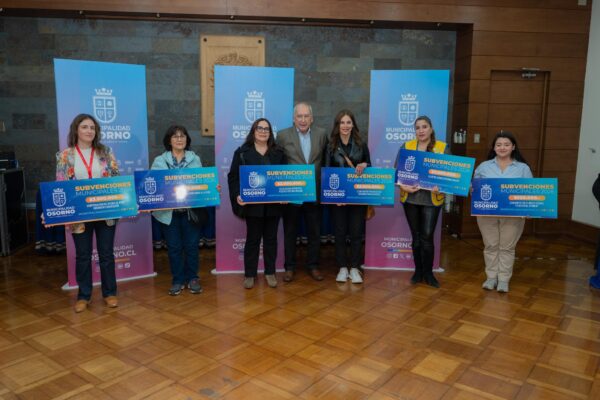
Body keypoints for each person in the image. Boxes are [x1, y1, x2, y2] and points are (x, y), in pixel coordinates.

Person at [55, 113, 120, 312]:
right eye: (84, 127)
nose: (89, 131)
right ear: (76, 130)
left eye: (92, 127)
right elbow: (60, 185)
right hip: (79, 215)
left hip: (105, 211)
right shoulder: (65, 156)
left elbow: (116, 178)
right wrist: (54, 212)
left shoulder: (105, 152)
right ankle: (84, 296)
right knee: (83, 255)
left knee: (106, 254)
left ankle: (110, 293)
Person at [228, 118, 287, 289]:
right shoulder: (242, 152)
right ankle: (250, 274)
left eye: (266, 129)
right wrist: (237, 195)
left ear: (270, 133)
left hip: (273, 206)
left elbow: (285, 176)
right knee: (253, 240)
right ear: (253, 131)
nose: (263, 131)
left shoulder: (279, 153)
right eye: (259, 128)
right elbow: (233, 177)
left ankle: (270, 272)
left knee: (271, 240)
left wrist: (285, 194)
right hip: (253, 206)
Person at [474, 131, 532, 293]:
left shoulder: (523, 168)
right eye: (498, 144)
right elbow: (475, 189)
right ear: (494, 147)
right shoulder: (484, 167)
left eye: (506, 144)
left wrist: (529, 209)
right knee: (490, 245)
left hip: (513, 215)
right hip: (486, 214)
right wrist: (472, 189)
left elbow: (530, 191)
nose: (502, 147)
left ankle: (504, 279)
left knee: (507, 247)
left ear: (513, 147)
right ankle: (491, 277)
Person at [276, 102, 328, 282]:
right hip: (292, 193)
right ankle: (289, 267)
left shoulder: (322, 134)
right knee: (290, 232)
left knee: (314, 232)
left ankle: (313, 265)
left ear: (312, 118)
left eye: (306, 116)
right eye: (300, 116)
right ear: (294, 118)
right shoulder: (282, 135)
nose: (303, 120)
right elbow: (278, 163)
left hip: (314, 192)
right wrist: (280, 190)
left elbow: (326, 161)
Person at [151, 125, 205, 296]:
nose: (179, 139)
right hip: (169, 214)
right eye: (175, 136)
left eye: (182, 136)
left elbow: (202, 183)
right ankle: (178, 280)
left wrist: (211, 188)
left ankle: (193, 278)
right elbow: (153, 186)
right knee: (174, 248)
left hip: (190, 212)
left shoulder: (195, 159)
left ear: (187, 139)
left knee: (191, 247)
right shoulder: (159, 161)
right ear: (169, 140)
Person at [397, 116, 448, 288]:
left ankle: (429, 273)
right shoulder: (407, 146)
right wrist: (403, 186)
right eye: (417, 127)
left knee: (427, 237)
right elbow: (397, 173)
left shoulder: (442, 148)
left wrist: (441, 186)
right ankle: (418, 271)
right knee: (416, 237)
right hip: (410, 198)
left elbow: (450, 175)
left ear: (431, 129)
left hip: (431, 200)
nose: (421, 130)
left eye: (424, 126)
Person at [323, 110, 371, 284]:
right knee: (340, 233)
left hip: (357, 197)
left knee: (356, 234)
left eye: (348, 122)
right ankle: (342, 267)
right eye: (342, 122)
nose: (345, 126)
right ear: (337, 125)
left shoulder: (361, 144)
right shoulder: (330, 146)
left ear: (353, 125)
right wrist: (333, 197)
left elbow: (370, 165)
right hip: (338, 199)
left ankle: (355, 268)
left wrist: (364, 165)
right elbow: (326, 172)